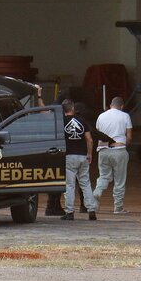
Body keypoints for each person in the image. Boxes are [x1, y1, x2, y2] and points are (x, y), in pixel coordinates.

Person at [93, 96, 132, 214]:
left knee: (104, 176)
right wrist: (126, 145)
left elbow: (97, 132)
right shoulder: (125, 116)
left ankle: (96, 194)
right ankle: (118, 207)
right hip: (119, 150)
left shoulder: (101, 116)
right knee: (120, 180)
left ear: (110, 105)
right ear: (122, 106)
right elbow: (129, 136)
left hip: (103, 150)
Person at [60, 99, 98, 220]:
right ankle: (91, 210)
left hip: (69, 156)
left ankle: (70, 212)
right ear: (73, 108)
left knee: (70, 185)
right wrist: (89, 154)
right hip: (83, 156)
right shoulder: (82, 121)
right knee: (85, 183)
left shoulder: (61, 122)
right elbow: (90, 139)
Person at [36, 85, 66, 216]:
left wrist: (38, 96)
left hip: (49, 148)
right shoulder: (63, 116)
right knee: (59, 179)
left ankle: (52, 205)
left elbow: (42, 109)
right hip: (58, 150)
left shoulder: (52, 114)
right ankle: (53, 206)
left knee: (53, 178)